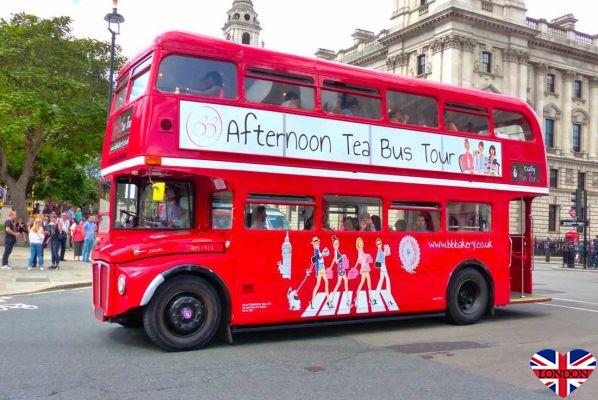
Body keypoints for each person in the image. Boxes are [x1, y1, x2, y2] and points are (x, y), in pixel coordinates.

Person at [308, 237, 330, 309]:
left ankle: (313, 302)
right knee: (322, 283)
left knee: (321, 283)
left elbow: (319, 258)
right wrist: (323, 253)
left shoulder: (317, 250)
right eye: (316, 243)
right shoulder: (316, 250)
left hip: (321, 267)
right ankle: (327, 301)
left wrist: (324, 252)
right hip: (321, 268)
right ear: (314, 244)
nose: (317, 244)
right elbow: (318, 259)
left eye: (318, 242)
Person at [354, 237, 376, 307]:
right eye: (360, 243)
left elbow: (360, 258)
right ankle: (356, 299)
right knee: (362, 283)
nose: (361, 244)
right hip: (364, 268)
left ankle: (370, 299)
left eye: (362, 243)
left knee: (368, 283)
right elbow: (360, 258)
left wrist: (367, 255)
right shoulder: (359, 250)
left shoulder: (361, 250)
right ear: (358, 244)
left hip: (366, 267)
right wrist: (366, 255)